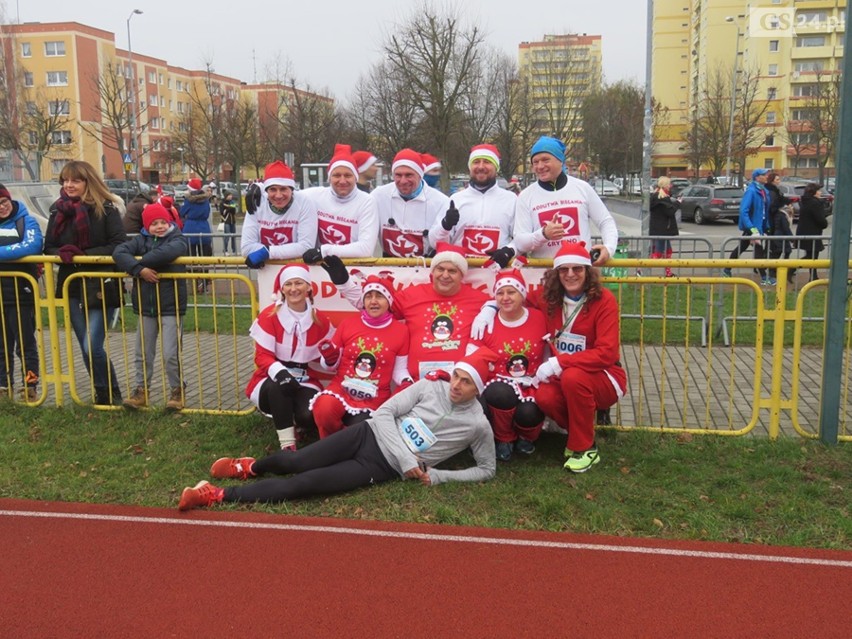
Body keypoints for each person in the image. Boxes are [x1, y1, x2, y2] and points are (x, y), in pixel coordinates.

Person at [177, 349, 498, 511]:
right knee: (295, 462)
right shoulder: (430, 387)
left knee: (304, 485)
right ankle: (248, 466)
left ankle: (216, 495)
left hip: (378, 466)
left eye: (465, 381)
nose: (455, 384)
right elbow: (385, 413)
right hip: (368, 434)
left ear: (477, 390)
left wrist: (441, 475)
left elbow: (487, 469)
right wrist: (407, 459)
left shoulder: (477, 425)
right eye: (456, 375)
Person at [528, 242, 627, 473]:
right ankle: (578, 434)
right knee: (544, 396)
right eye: (564, 269)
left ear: (587, 271)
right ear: (557, 273)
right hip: (566, 376)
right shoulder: (548, 298)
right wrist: (490, 308)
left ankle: (585, 448)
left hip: (604, 376)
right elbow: (515, 297)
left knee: (573, 377)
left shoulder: (604, 301)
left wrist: (559, 362)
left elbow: (607, 352)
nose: (570, 274)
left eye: (577, 269)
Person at [44, 160, 128, 405]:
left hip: (101, 285)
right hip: (71, 285)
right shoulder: (56, 210)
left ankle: (110, 392)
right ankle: (104, 394)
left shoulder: (106, 209)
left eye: (75, 180)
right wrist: (62, 253)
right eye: (65, 180)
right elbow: (48, 246)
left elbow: (118, 244)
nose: (69, 185)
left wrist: (83, 254)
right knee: (84, 346)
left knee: (92, 345)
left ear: (87, 181)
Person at [310, 274, 412, 438]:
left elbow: (400, 370)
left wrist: (407, 381)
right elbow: (329, 366)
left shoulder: (401, 331)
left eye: (379, 296)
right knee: (323, 409)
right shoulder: (348, 324)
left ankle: (340, 447)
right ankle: (331, 442)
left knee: (361, 430)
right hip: (341, 388)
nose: (373, 301)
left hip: (374, 395)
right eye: (368, 296)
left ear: (389, 302)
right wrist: (330, 358)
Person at [245, 263, 334, 451]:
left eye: (299, 283)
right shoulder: (269, 316)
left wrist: (331, 357)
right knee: (280, 387)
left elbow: (325, 362)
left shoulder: (321, 320)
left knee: (310, 415)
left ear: (309, 287)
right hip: (269, 378)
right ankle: (288, 446)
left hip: (304, 378)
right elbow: (262, 357)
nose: (293, 289)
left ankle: (297, 424)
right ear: (282, 289)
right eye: (288, 284)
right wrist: (281, 373)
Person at [112, 202, 189, 411]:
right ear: (147, 226)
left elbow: (168, 253)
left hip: (171, 305)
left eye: (163, 222)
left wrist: (142, 263)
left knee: (170, 353)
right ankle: (141, 390)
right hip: (146, 306)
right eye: (154, 223)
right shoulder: (140, 240)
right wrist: (138, 270)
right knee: (143, 352)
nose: (160, 226)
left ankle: (177, 390)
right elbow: (119, 253)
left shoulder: (178, 238)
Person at [467, 268, 547, 462]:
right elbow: (472, 355)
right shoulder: (486, 321)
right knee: (498, 393)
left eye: (511, 292)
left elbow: (549, 350)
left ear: (522, 295)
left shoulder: (539, 318)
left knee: (530, 411)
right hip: (499, 382)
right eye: (500, 293)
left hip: (531, 383)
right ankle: (504, 438)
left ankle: (526, 438)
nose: (505, 298)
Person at [507, 136, 617, 269]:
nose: (540, 166)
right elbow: (520, 241)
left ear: (560, 161)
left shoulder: (582, 188)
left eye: (545, 160)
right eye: (535, 162)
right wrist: (543, 234)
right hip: (545, 277)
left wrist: (609, 248)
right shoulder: (525, 196)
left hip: (579, 273)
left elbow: (606, 221)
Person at [391, 242, 490, 380]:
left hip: (458, 384)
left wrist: (491, 308)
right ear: (433, 271)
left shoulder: (479, 300)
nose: (445, 275)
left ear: (462, 275)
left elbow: (508, 306)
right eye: (440, 269)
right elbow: (375, 310)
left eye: (452, 271)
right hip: (416, 382)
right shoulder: (410, 295)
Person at [428, 144, 516, 259]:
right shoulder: (455, 200)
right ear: (470, 167)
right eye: (476, 162)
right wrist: (445, 225)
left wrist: (509, 250)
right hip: (461, 272)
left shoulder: (511, 200)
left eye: (487, 162)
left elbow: (521, 239)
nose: (480, 166)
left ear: (496, 168)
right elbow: (434, 242)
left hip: (496, 272)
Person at [0, 183, 43, 402]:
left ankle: (30, 384)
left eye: (3, 202)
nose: (1, 207)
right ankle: (3, 386)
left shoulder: (26, 221)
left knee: (24, 343)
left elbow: (32, 246)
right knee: (1, 345)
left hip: (21, 293)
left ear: (10, 201)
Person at [304, 144, 378, 258]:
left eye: (348, 175)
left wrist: (324, 251)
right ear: (329, 178)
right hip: (319, 268)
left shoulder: (367, 201)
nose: (342, 181)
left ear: (355, 177)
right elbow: (283, 193)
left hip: (354, 269)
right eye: (337, 175)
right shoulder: (314, 195)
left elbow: (366, 249)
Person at [372, 149, 449, 257]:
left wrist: (446, 226)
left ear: (420, 175)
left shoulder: (441, 202)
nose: (403, 181)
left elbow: (439, 244)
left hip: (424, 266)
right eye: (398, 175)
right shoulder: (378, 196)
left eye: (409, 175)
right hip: (389, 266)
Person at [240, 161, 318, 269]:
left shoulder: (304, 202)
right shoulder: (257, 202)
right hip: (267, 271)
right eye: (272, 189)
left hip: (297, 271)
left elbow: (305, 246)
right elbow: (246, 248)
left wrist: (267, 252)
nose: (278, 195)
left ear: (292, 189)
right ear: (266, 191)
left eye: (283, 189)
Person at [723, 168, 769, 283]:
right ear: (757, 177)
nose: (767, 176)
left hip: (758, 226)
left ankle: (726, 269)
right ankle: (764, 277)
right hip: (753, 227)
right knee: (758, 250)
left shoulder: (763, 190)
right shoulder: (751, 191)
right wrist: (751, 227)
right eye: (764, 175)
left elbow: (763, 210)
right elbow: (744, 211)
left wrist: (766, 225)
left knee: (741, 248)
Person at [179, 178, 213, 293]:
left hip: (190, 228)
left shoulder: (188, 201)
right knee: (204, 258)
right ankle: (204, 283)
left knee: (190, 258)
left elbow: (182, 212)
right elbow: (207, 213)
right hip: (204, 228)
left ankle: (193, 283)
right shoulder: (206, 200)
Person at [796, 182, 830, 282]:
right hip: (813, 232)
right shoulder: (815, 203)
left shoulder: (805, 201)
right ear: (814, 192)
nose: (820, 192)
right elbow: (820, 219)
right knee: (812, 256)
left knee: (812, 255)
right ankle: (792, 268)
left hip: (804, 231)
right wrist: (824, 223)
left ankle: (813, 276)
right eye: (818, 191)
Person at [765, 172, 794, 284]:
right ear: (772, 180)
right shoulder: (773, 193)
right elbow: (772, 207)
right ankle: (771, 270)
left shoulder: (776, 192)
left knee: (777, 250)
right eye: (777, 179)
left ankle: (773, 269)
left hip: (775, 225)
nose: (779, 181)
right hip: (774, 226)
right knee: (776, 250)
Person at [649, 176, 680, 278]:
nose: (670, 186)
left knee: (668, 251)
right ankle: (641, 270)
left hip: (659, 229)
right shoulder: (662, 198)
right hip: (662, 230)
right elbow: (670, 212)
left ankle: (668, 273)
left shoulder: (656, 196)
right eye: (669, 184)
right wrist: (678, 203)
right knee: (657, 254)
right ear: (666, 185)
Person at [219, 191, 237, 256]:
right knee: (227, 236)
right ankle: (225, 250)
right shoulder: (222, 203)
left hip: (233, 221)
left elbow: (234, 211)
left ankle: (234, 250)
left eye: (231, 195)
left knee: (233, 236)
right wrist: (229, 208)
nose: (230, 197)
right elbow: (222, 212)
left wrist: (228, 208)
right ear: (226, 196)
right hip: (226, 221)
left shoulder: (232, 202)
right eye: (229, 195)